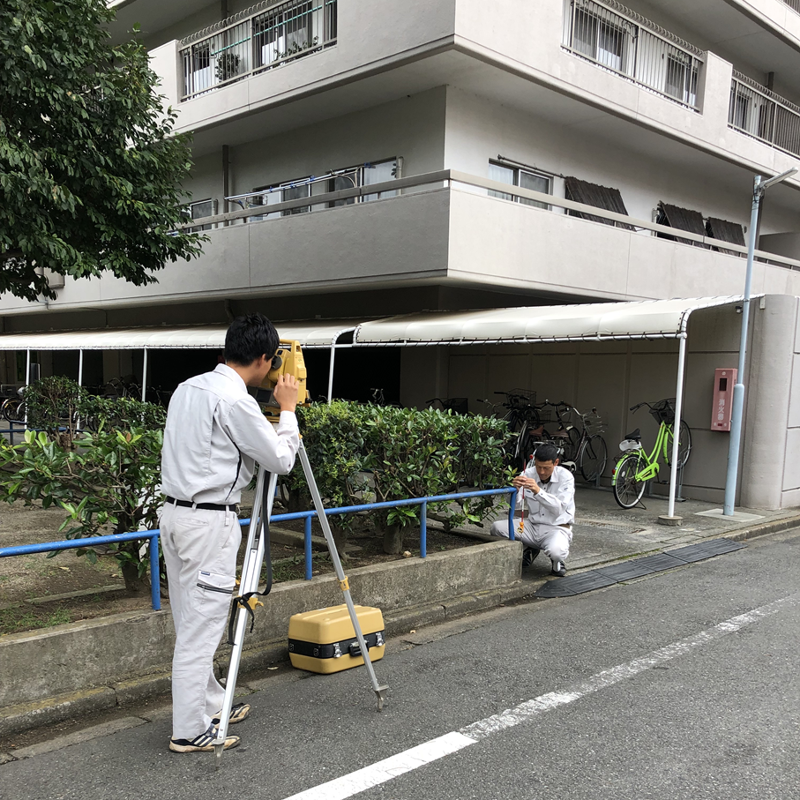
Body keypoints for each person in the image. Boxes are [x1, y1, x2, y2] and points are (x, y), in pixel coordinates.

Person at [159, 313, 300, 754]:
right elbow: (280, 460)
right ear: (265, 358)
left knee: (190, 621)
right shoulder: (235, 401)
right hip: (209, 523)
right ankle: (188, 730)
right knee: (201, 630)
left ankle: (212, 703)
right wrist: (289, 411)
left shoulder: (189, 388)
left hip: (175, 517)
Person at [490, 443, 575, 577]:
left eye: (546, 468)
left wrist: (538, 491)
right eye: (538, 467)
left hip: (556, 527)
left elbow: (559, 509)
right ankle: (528, 549)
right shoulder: (528, 473)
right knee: (497, 527)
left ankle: (556, 562)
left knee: (556, 552)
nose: (541, 472)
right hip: (532, 525)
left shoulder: (566, 477)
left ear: (556, 463)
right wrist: (514, 490)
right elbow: (515, 506)